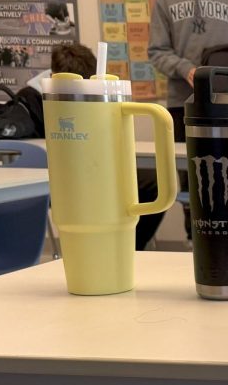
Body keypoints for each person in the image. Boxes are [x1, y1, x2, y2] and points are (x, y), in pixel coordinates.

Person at [18, 43, 164, 251]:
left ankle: (130, 246)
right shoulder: (31, 99)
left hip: (92, 165)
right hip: (58, 175)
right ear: (54, 76)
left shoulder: (96, 92)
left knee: (151, 182)